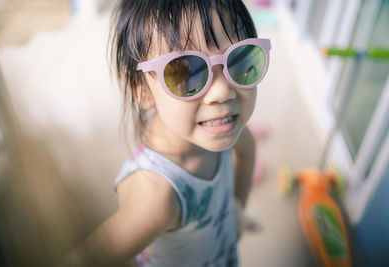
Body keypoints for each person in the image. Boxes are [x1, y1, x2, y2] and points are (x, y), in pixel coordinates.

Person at [65, 0, 271, 266]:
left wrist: (236, 209)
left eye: (240, 59)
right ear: (141, 89)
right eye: (187, 72)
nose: (222, 92)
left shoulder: (229, 129)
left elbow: (248, 148)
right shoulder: (158, 195)